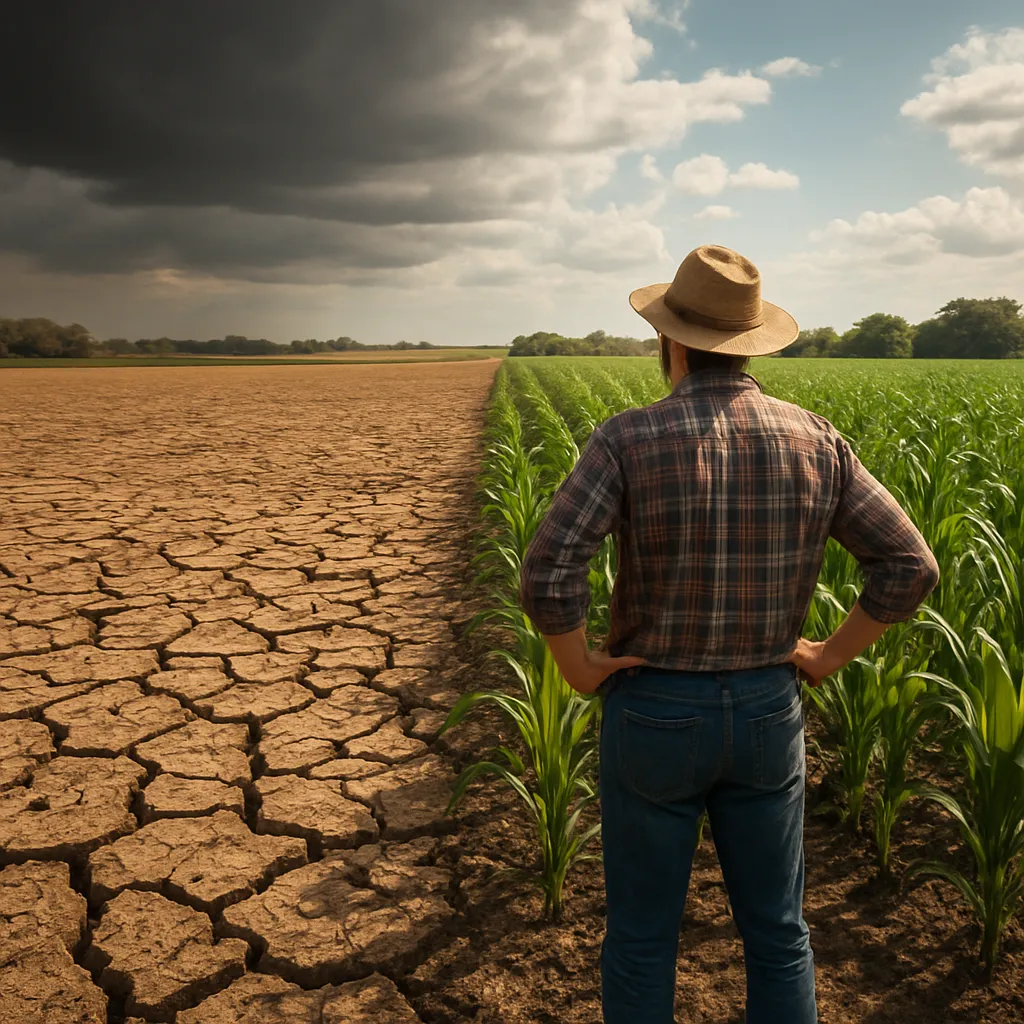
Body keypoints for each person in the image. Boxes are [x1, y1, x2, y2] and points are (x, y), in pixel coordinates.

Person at [518, 245, 939, 1024]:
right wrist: (825, 655)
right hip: (767, 712)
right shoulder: (816, 439)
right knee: (778, 933)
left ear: (670, 342)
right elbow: (910, 565)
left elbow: (548, 570)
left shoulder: (627, 439)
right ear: (749, 344)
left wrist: (577, 666)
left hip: (653, 712)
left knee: (643, 937)